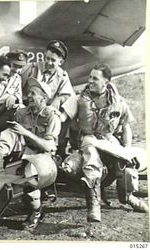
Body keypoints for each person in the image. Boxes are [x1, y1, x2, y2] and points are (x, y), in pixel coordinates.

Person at [60, 64, 148, 222]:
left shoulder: (117, 100)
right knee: (91, 159)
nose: (91, 81)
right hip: (88, 139)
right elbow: (62, 117)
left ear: (106, 82)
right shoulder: (79, 98)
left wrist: (126, 149)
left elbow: (126, 126)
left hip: (109, 139)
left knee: (125, 164)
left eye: (95, 78)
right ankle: (94, 205)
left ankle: (128, 197)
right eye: (90, 77)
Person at [0, 77, 62, 230]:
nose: (28, 96)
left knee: (28, 175)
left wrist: (26, 133)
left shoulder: (52, 116)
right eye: (28, 93)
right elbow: (10, 132)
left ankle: (36, 211)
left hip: (45, 157)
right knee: (9, 132)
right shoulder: (22, 113)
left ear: (43, 97)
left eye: (33, 93)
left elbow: (49, 146)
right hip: (25, 150)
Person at [21, 40, 74, 158]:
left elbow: (68, 95)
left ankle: (56, 149)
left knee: (60, 116)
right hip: (28, 107)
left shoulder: (62, 75)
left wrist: (58, 100)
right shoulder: (32, 68)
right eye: (47, 58)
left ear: (61, 61)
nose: (49, 62)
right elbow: (19, 87)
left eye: (53, 60)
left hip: (45, 111)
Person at [0, 50, 27, 145]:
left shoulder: (17, 78)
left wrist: (14, 97)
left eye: (21, 67)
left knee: (20, 108)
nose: (17, 70)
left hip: (2, 119)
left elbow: (19, 99)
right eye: (15, 66)